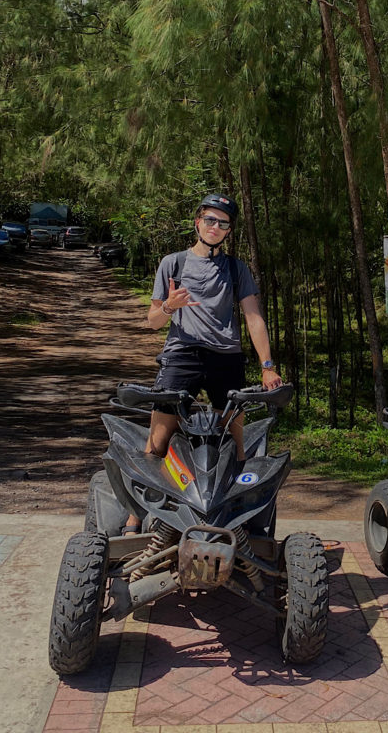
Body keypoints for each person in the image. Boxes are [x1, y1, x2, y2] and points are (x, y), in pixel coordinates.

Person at [124, 192, 282, 534]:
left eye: (223, 223)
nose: (215, 227)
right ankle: (136, 515)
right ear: (198, 222)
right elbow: (151, 321)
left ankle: (242, 521)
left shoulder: (236, 269)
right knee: (158, 439)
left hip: (226, 357)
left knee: (235, 445)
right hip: (182, 355)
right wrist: (169, 306)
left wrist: (267, 366)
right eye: (210, 220)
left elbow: (253, 318)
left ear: (228, 231)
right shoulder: (173, 263)